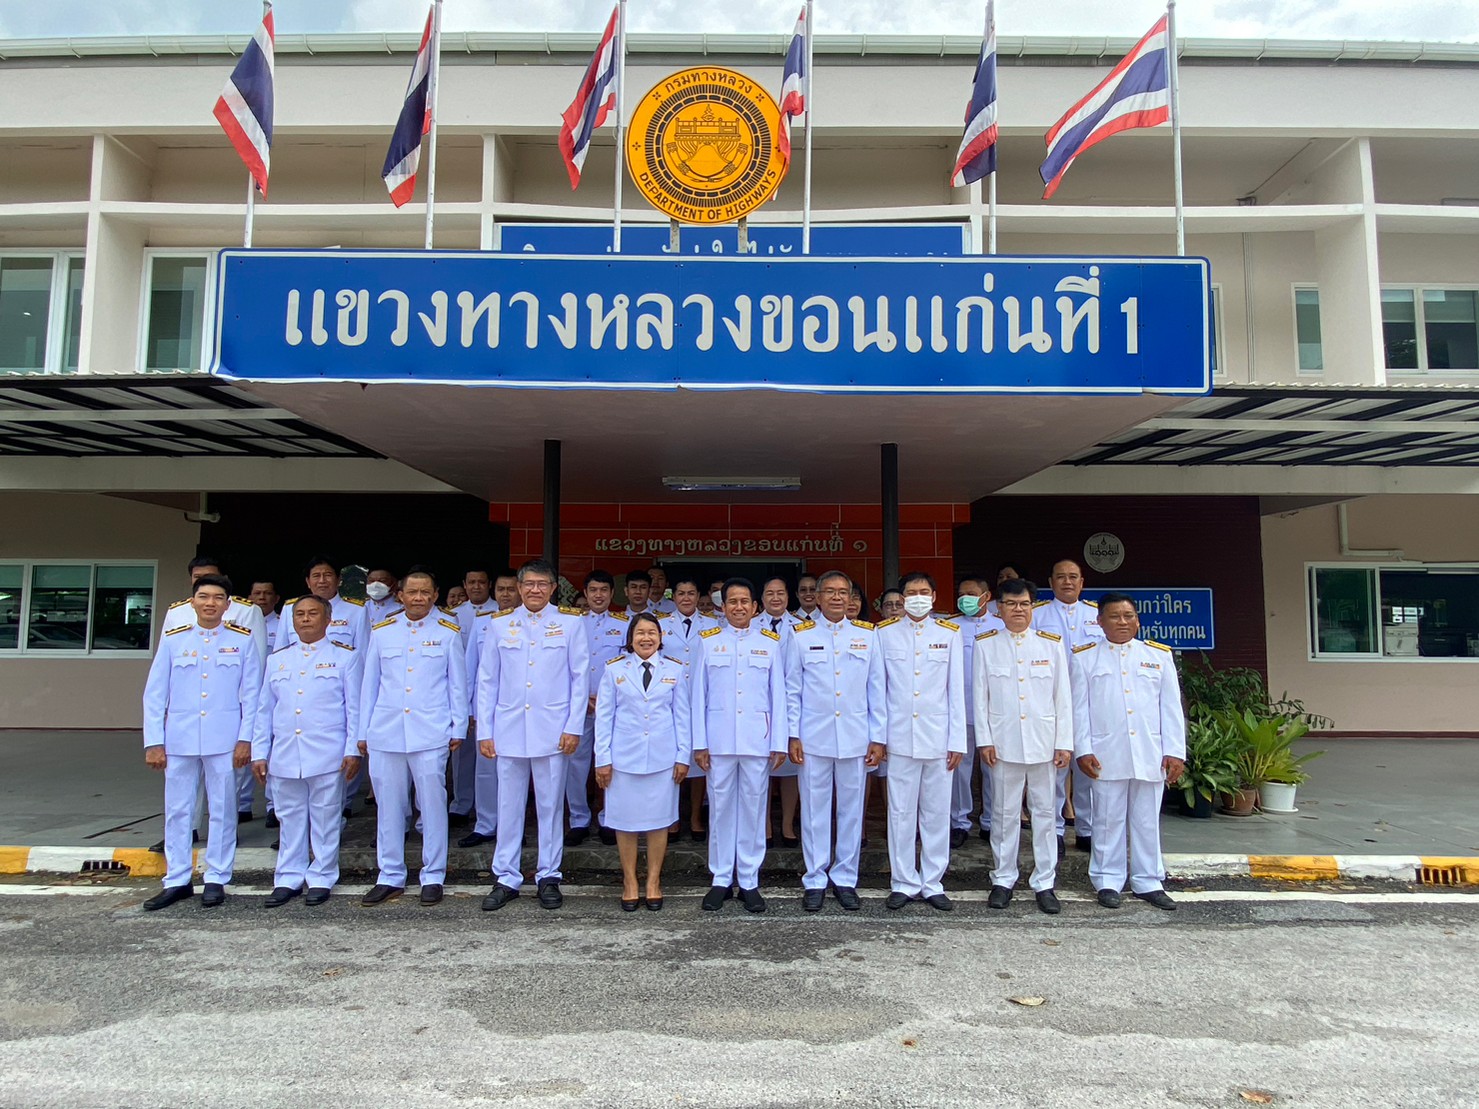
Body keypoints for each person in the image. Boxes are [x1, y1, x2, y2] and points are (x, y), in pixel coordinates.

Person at [141, 574, 262, 910]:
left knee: (223, 810)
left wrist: (246, 739)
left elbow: (252, 696)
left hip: (224, 740)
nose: (210, 603)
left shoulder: (242, 640)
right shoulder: (174, 638)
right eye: (204, 596)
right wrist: (154, 741)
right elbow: (155, 694)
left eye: (218, 597)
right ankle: (177, 879)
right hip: (179, 739)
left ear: (228, 604)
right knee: (177, 811)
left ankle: (217, 878)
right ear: (192, 601)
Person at [477, 559, 589, 911]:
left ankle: (549, 875)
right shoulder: (500, 624)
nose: (535, 590)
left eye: (542, 584)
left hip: (552, 730)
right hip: (508, 729)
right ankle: (506, 877)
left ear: (553, 588)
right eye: (529, 584)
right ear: (519, 587)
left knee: (550, 806)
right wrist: (485, 731)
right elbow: (487, 681)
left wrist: (573, 726)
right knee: (508, 806)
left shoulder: (570, 623)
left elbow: (580, 678)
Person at [357, 568, 467, 907]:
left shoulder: (448, 632)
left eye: (425, 592)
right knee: (389, 806)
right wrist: (363, 731)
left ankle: (433, 875)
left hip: (430, 731)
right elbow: (369, 684)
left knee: (432, 805)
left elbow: (457, 684)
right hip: (386, 731)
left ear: (435, 595)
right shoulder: (382, 631)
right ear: (400, 596)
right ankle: (389, 875)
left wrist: (459, 727)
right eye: (412, 592)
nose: (418, 598)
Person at [1071, 592, 1186, 911]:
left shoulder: (1158, 656)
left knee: (1147, 820)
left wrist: (1175, 751)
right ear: (1099, 622)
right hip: (1106, 752)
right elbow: (1079, 709)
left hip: (1150, 752)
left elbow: (1171, 708)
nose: (1122, 622)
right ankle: (1107, 880)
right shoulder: (1084, 657)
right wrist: (1083, 749)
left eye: (1128, 616)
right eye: (1114, 616)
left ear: (1137, 620)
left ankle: (1149, 881)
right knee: (1107, 819)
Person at [250, 594, 363, 907]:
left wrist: (353, 749)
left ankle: (322, 877)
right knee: (289, 819)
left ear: (328, 620)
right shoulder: (278, 660)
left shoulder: (345, 657)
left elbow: (354, 708)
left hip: (327, 753)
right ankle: (288, 877)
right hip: (286, 753)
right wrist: (260, 752)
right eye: (299, 614)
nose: (305, 619)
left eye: (313, 613)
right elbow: (264, 709)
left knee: (326, 818)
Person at [784, 570, 885, 912]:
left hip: (855, 737)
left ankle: (845, 878)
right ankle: (814, 878)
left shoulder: (868, 635)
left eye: (844, 592)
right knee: (814, 811)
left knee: (851, 811)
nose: (837, 597)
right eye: (830, 591)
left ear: (852, 598)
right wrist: (793, 734)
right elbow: (792, 689)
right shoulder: (800, 635)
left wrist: (878, 736)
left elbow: (876, 689)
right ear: (818, 597)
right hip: (814, 737)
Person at [974, 578, 1072, 915]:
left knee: (1045, 814)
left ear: (1033, 607)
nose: (1018, 610)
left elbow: (1062, 698)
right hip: (1003, 743)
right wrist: (984, 740)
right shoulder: (986, 645)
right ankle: (1003, 879)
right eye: (1011, 604)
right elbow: (980, 698)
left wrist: (1064, 742)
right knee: (1004, 814)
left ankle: (1045, 882)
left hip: (1044, 743)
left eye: (1025, 604)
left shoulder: (1050, 645)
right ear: (998, 609)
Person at [692, 577, 788, 913]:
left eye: (745, 601)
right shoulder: (708, 642)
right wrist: (699, 743)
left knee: (753, 809)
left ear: (755, 607)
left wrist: (778, 742)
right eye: (732, 601)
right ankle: (720, 878)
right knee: (719, 809)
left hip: (756, 740)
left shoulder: (770, 643)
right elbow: (697, 695)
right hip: (718, 740)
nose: (738, 607)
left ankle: (748, 879)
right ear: (723, 606)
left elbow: (779, 696)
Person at [876, 572, 965, 911]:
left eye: (923, 591)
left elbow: (955, 690)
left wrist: (957, 740)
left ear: (934, 596)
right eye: (911, 592)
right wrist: (880, 737)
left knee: (936, 813)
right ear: (901, 598)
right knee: (900, 813)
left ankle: (932, 882)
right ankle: (903, 881)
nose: (917, 597)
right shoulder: (884, 633)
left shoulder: (949, 633)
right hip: (899, 737)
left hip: (939, 738)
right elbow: (879, 689)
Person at [160, 556, 267, 837]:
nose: (209, 601)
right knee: (179, 800)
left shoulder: (245, 616)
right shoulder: (176, 618)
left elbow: (253, 681)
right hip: (183, 726)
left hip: (225, 726)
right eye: (198, 580)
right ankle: (188, 834)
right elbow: (161, 681)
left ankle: (221, 853)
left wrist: (247, 735)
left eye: (214, 588)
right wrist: (157, 734)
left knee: (224, 799)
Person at [594, 613, 690, 910]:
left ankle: (653, 881)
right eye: (640, 633)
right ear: (630, 638)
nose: (646, 638)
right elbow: (604, 717)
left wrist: (683, 755)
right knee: (624, 823)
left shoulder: (675, 670)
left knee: (659, 822)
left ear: (660, 638)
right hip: (623, 759)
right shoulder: (614, 670)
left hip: (662, 759)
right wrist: (602, 758)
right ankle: (630, 881)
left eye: (652, 633)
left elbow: (682, 716)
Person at [281, 556, 371, 815]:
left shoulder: (356, 610)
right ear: (308, 581)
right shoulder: (290, 609)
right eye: (316, 576)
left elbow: (363, 653)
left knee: (338, 768)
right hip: (297, 690)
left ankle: (343, 806)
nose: (322, 580)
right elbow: (281, 651)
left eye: (328, 575)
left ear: (338, 580)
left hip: (339, 688)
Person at [1034, 557, 1106, 856]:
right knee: (1055, 770)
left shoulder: (1097, 614)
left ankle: (1087, 830)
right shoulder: (1037, 614)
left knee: (1088, 767)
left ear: (1082, 582)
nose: (1067, 581)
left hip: (1090, 700)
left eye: (1073, 576)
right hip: (1050, 700)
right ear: (1051, 583)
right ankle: (1055, 831)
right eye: (1061, 576)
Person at [457, 567, 520, 851]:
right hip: (487, 707)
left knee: (515, 772)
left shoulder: (529, 622)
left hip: (518, 708)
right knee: (485, 769)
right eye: (501, 590)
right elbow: (470, 669)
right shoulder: (485, 621)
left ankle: (512, 826)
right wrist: (469, 709)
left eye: (511, 589)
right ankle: (485, 824)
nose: (506, 595)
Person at [567, 570, 628, 846]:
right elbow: (564, 666)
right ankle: (578, 820)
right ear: (585, 593)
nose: (599, 595)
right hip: (578, 706)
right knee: (576, 765)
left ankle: (608, 819)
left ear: (612, 593)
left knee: (610, 763)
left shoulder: (624, 625)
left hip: (611, 706)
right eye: (593, 590)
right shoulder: (573, 623)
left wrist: (604, 698)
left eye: (604, 590)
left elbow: (626, 666)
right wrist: (582, 698)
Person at [952, 575, 1006, 849]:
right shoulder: (950, 627)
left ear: (986, 597)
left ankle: (991, 821)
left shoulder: (1001, 626)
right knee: (959, 769)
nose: (966, 599)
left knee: (994, 768)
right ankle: (959, 822)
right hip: (961, 708)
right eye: (962, 594)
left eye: (971, 594)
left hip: (995, 710)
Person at [664, 576, 718, 840]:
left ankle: (696, 816)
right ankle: (672, 816)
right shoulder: (661, 624)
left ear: (698, 596)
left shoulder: (713, 625)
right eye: (681, 593)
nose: (686, 598)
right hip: (669, 701)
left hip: (701, 701)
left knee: (699, 760)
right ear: (673, 597)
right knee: (670, 759)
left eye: (691, 593)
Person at [449, 567, 499, 827]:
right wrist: (464, 706)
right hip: (469, 695)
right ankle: (461, 804)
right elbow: (466, 668)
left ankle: (489, 813)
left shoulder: (499, 613)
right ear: (465, 584)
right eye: (472, 582)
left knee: (491, 763)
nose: (476, 586)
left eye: (481, 582)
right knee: (464, 757)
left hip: (497, 700)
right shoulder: (454, 614)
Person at [759, 576, 801, 848]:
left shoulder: (802, 626)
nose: (775, 598)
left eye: (780, 593)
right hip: (759, 706)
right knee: (760, 769)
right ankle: (764, 823)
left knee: (789, 769)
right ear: (762, 598)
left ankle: (786, 823)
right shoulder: (750, 626)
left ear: (788, 596)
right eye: (770, 593)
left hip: (791, 705)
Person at [249, 580, 282, 649]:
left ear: (276, 598)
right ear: (250, 598)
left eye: (268, 593)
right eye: (257, 593)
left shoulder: (283, 624)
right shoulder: (242, 623)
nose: (262, 597)